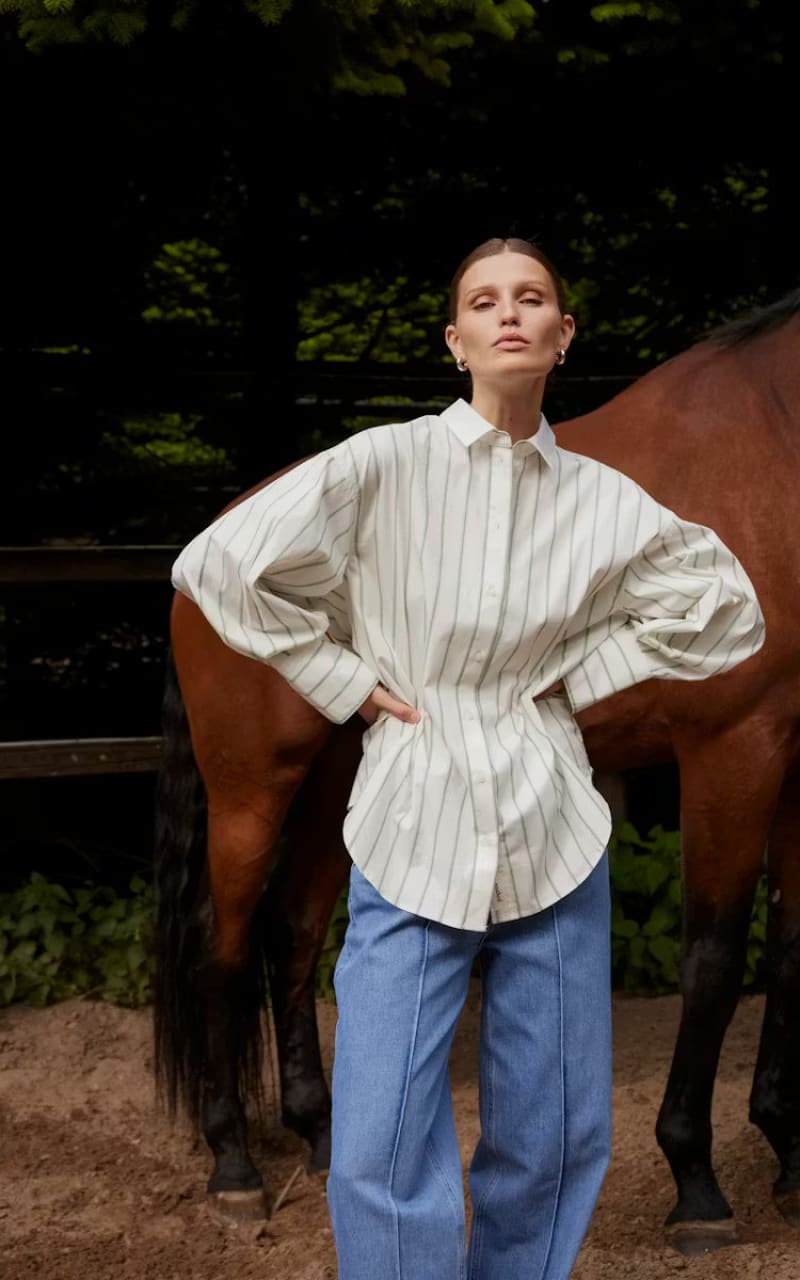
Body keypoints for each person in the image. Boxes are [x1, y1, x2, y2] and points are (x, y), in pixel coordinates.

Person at [171, 237, 766, 1279]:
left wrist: (585, 677)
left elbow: (726, 609)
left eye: (529, 298)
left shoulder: (601, 498)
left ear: (559, 334)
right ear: (454, 341)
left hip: (554, 833)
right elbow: (217, 563)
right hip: (411, 826)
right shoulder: (381, 464)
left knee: (556, 1133)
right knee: (380, 1139)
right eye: (482, 301)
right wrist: (343, 683)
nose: (507, 313)